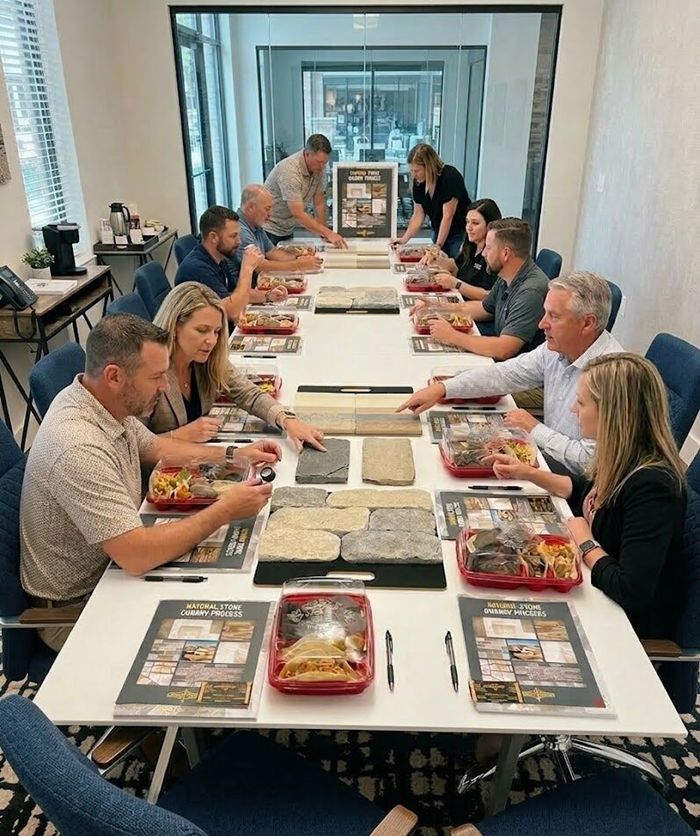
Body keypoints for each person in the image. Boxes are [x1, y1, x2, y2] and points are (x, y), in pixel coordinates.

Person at [19, 314, 281, 651]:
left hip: (113, 570)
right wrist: (225, 510)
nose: (164, 386)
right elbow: (137, 555)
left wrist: (234, 454)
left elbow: (155, 447)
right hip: (81, 608)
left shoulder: (99, 400)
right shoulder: (77, 446)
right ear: (114, 376)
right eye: (156, 377)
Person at [491, 353, 687, 640]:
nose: (573, 409)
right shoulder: (620, 455)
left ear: (613, 414)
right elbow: (587, 490)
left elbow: (631, 590)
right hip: (595, 591)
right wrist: (529, 473)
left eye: (582, 402)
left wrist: (585, 542)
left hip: (622, 623)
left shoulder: (653, 487)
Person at [397, 272, 622, 474]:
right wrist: (442, 388)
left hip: (574, 480)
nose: (542, 324)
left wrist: (534, 429)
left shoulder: (611, 377)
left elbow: (591, 463)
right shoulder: (557, 347)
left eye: (554, 316)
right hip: (545, 458)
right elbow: (504, 375)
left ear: (587, 324)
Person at [147, 282, 326, 452]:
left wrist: (286, 419)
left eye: (216, 331)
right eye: (202, 330)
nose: (212, 341)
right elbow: (131, 446)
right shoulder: (147, 372)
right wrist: (178, 436)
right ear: (175, 326)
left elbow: (248, 393)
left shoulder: (207, 358)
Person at [412, 218, 548, 360]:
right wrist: (437, 308)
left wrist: (452, 336)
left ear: (506, 253)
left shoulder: (530, 292)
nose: (483, 254)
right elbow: (484, 309)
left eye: (488, 248)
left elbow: (504, 349)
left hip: (513, 368)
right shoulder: (507, 274)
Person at [175, 206, 283, 323]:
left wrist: (267, 296)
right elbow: (232, 311)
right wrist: (247, 269)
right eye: (233, 236)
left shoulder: (221, 258)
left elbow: (234, 294)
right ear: (213, 237)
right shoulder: (197, 268)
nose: (239, 241)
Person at [263, 134, 347, 249]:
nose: (322, 166)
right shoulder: (290, 171)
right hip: (269, 229)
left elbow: (319, 203)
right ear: (307, 154)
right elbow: (298, 214)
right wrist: (328, 233)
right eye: (319, 162)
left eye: (325, 162)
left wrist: (324, 235)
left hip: (287, 228)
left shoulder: (319, 168)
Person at [393, 144, 470, 258]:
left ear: (429, 166)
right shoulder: (419, 182)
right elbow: (418, 215)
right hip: (438, 229)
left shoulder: (450, 177)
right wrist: (404, 239)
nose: (414, 175)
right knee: (435, 262)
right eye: (412, 171)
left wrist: (437, 246)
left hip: (459, 232)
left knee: (451, 262)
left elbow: (448, 216)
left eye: (417, 171)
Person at [422, 198, 502, 301]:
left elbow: (489, 297)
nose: (469, 227)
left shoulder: (494, 256)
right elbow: (457, 268)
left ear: (490, 226)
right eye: (467, 222)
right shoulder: (471, 245)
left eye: (475, 223)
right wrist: (437, 258)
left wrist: (456, 284)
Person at [238, 184, 324, 274]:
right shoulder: (241, 231)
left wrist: (300, 259)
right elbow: (258, 266)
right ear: (251, 207)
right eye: (267, 209)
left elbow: (272, 252)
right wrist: (297, 265)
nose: (270, 214)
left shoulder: (255, 224)